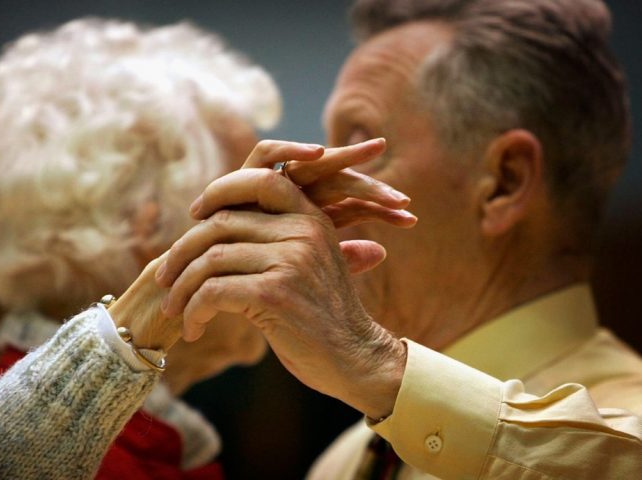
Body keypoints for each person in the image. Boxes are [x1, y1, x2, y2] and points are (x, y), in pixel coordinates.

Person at [155, 0, 642, 478]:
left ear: (504, 182)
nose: (308, 193)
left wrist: (376, 368)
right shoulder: (346, 460)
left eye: (361, 142)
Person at [0, 18, 416, 479]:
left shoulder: (150, 438)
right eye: (246, 194)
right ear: (147, 230)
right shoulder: (57, 456)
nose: (286, 218)